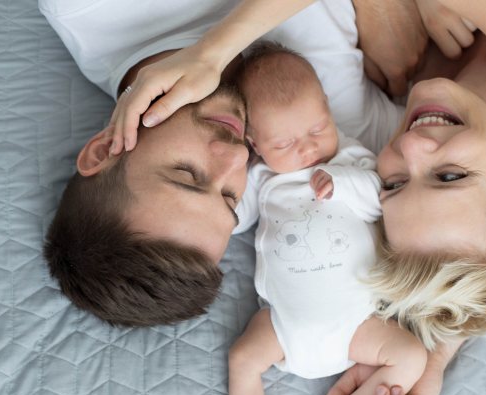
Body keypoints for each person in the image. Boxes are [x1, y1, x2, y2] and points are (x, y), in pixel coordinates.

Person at [108, 0, 486, 395]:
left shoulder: (409, 107)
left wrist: (431, 361)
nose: (411, 146)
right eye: (450, 176)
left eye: (393, 184)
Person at [38, 0, 415, 326]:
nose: (238, 157)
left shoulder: (86, 11)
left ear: (105, 150)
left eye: (187, 174)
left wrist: (213, 52)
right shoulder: (328, 139)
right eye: (231, 197)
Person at [209, 43, 427, 395]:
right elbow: (231, 218)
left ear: (327, 106)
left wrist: (342, 182)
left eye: (317, 128)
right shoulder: (261, 179)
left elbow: (381, 201)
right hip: (284, 326)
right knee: (242, 359)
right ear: (254, 144)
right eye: (285, 143)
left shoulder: (352, 159)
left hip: (358, 322)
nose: (308, 149)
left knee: (413, 355)